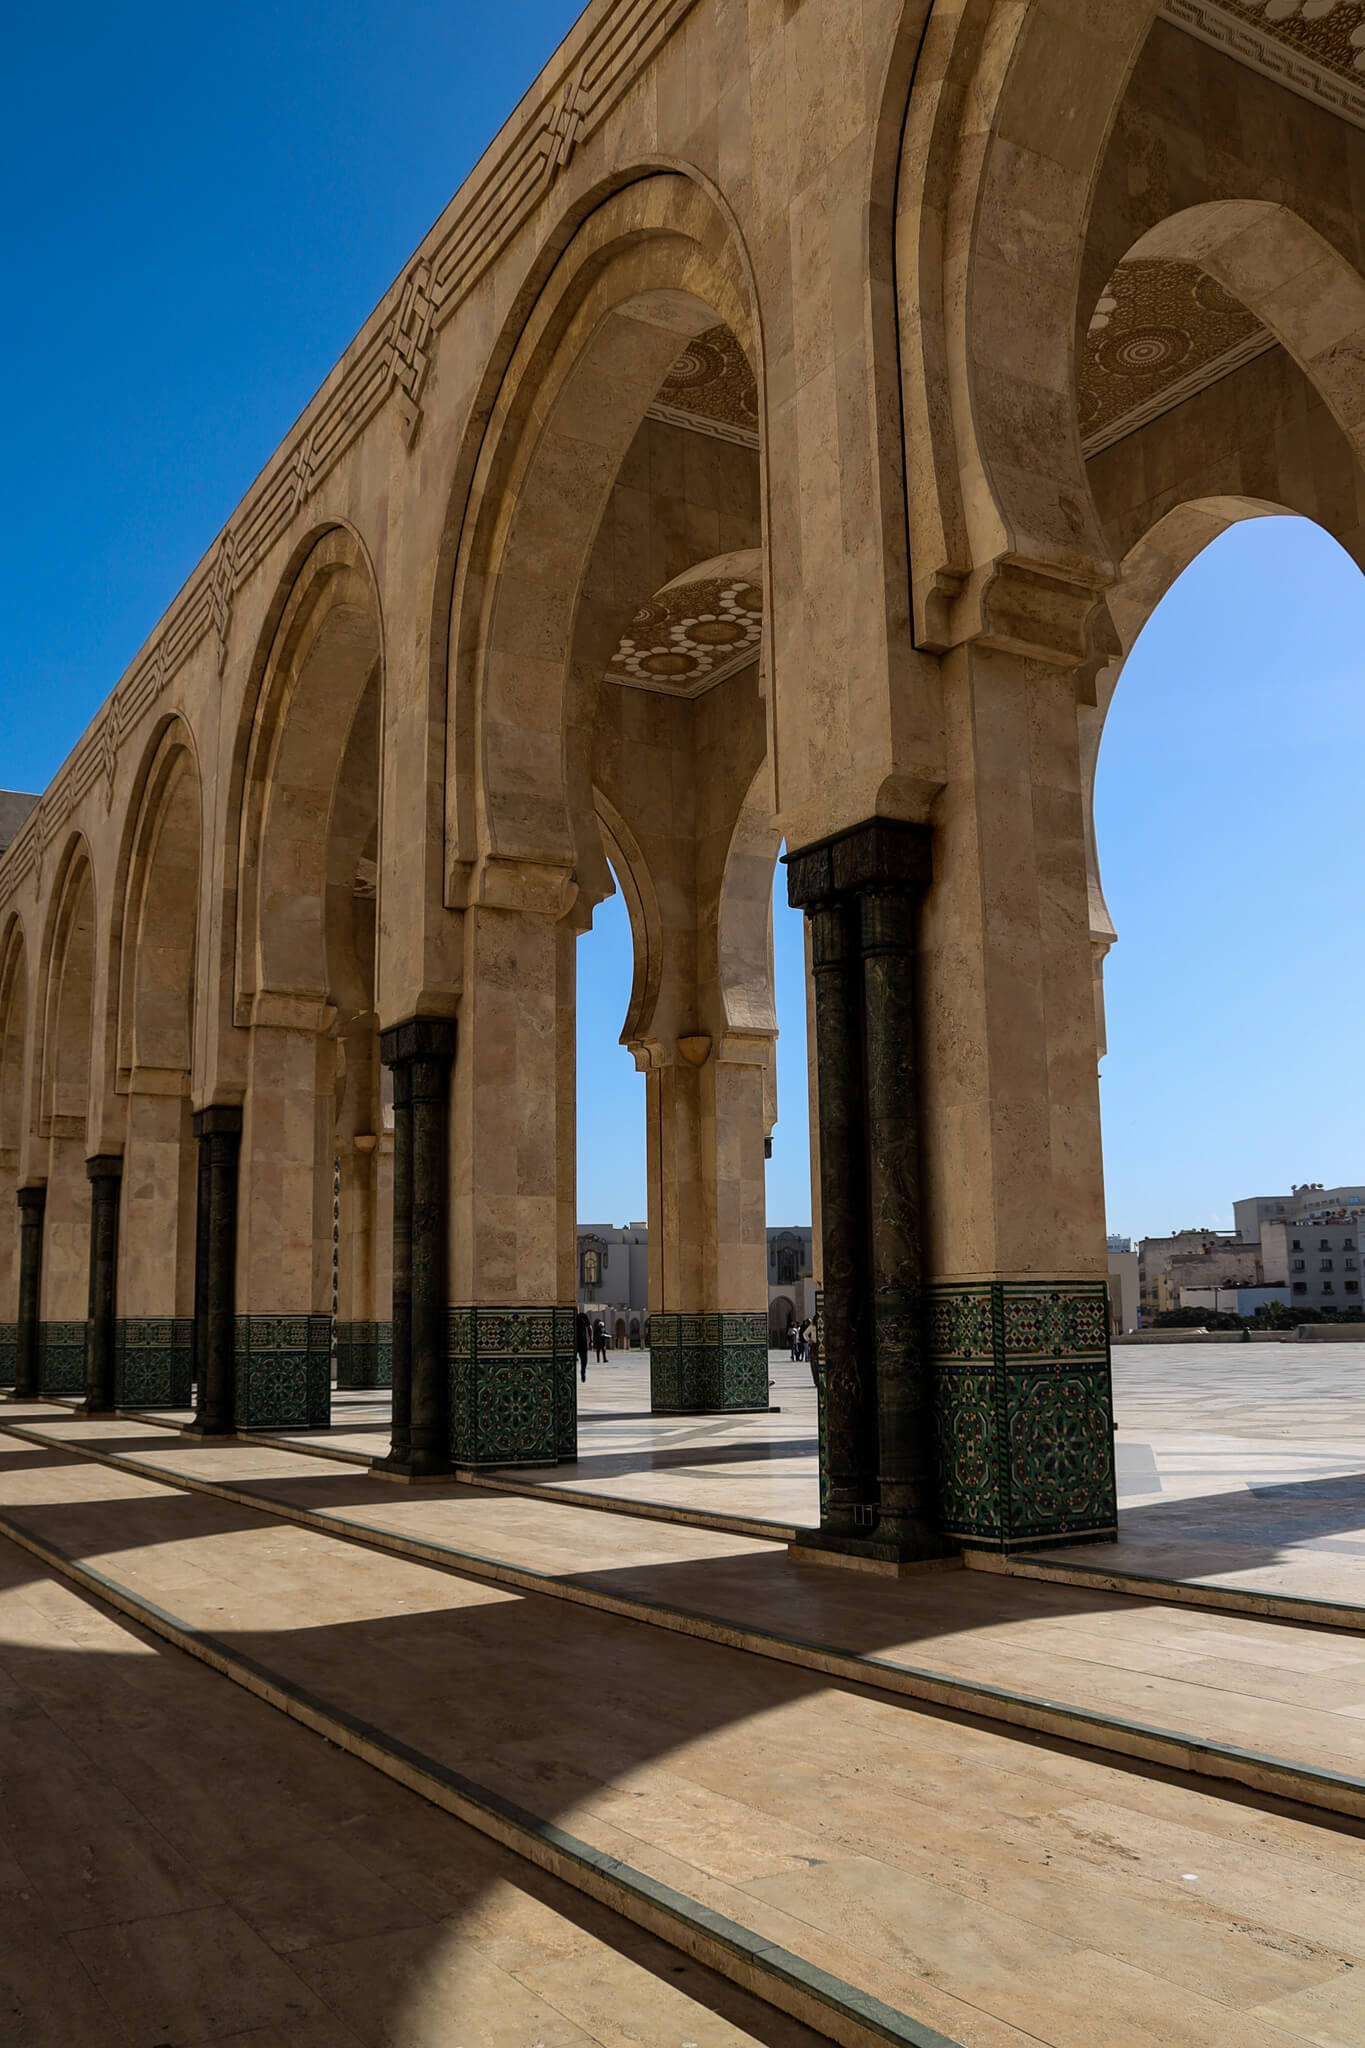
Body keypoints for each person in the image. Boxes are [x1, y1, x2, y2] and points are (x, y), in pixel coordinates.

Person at [575, 1309, 590, 1383]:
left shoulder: (583, 1316)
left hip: (583, 1341)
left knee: (584, 1360)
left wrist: (591, 1341)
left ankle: (583, 1372)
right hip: (572, 1342)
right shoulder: (569, 1316)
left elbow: (589, 1327)